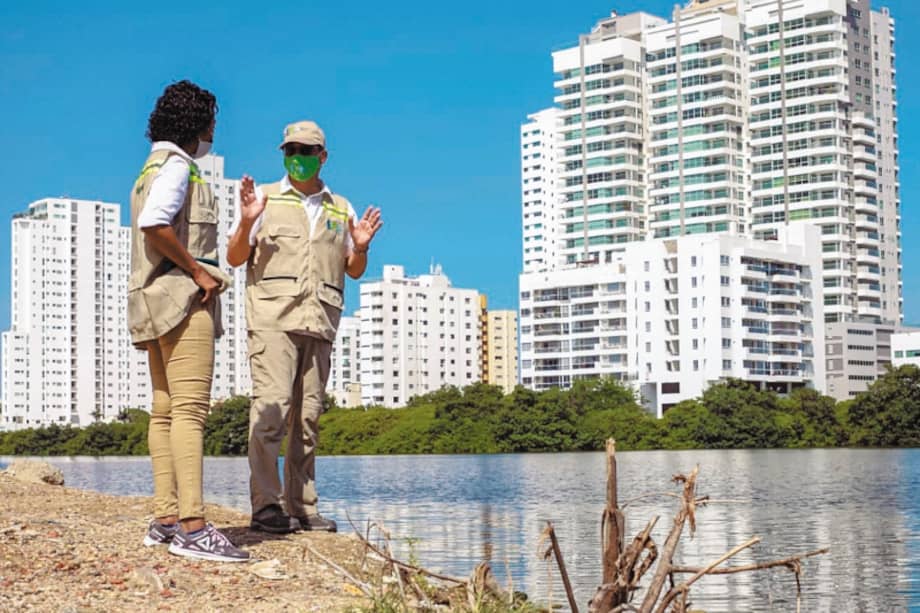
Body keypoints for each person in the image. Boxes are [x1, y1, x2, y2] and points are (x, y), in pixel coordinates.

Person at [227, 120, 382, 534]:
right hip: (273, 321)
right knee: (271, 411)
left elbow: (354, 270)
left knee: (308, 419)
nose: (297, 158)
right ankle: (266, 506)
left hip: (320, 321)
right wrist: (246, 222)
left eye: (306, 151)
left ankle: (302, 505)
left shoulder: (340, 207)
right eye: (290, 150)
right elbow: (236, 256)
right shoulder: (263, 198)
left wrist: (362, 247)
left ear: (322, 156)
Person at [128, 80, 248, 562]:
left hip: (150, 301)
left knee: (164, 410)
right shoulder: (179, 167)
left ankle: (166, 519)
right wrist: (199, 271)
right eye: (212, 124)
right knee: (191, 411)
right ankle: (194, 527)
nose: (214, 133)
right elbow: (154, 224)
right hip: (181, 298)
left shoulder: (146, 169)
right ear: (195, 124)